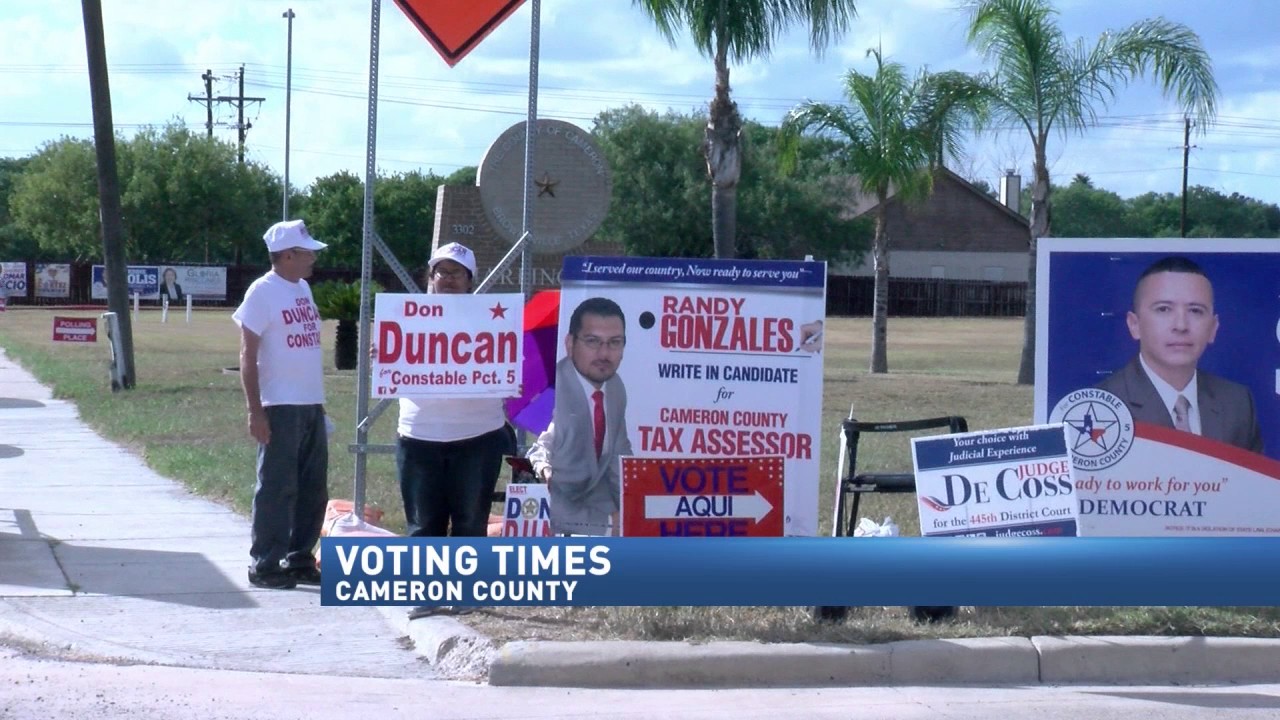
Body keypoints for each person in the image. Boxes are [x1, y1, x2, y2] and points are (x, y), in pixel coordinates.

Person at [232, 219, 331, 590]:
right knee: (277, 486)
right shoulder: (262, 292)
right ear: (287, 255)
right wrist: (255, 410)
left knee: (312, 487)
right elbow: (247, 354)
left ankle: (299, 557)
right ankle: (265, 563)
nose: (313, 260)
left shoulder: (302, 288)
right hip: (279, 404)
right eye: (307, 253)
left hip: (309, 403)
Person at [393, 242, 515, 539]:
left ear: (470, 279)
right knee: (422, 529)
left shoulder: (493, 320)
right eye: (441, 272)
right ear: (430, 278)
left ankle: (466, 585)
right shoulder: (405, 318)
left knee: (471, 527)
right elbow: (393, 367)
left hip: (478, 438)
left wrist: (513, 374)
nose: (447, 278)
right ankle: (424, 585)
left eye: (456, 272)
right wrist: (384, 354)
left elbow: (510, 363)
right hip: (418, 437)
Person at [1097, 255, 1263, 453]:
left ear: (1213, 328)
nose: (1181, 325)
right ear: (1134, 325)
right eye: (1164, 309)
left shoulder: (1237, 403)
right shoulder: (1101, 406)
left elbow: (1250, 483)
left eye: (1195, 311)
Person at [532, 297, 633, 536]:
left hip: (598, 499)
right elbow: (542, 445)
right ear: (570, 344)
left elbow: (619, 454)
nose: (604, 353)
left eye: (614, 343)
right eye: (592, 341)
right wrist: (545, 469)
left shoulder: (616, 387)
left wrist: (632, 503)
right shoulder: (553, 386)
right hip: (560, 502)